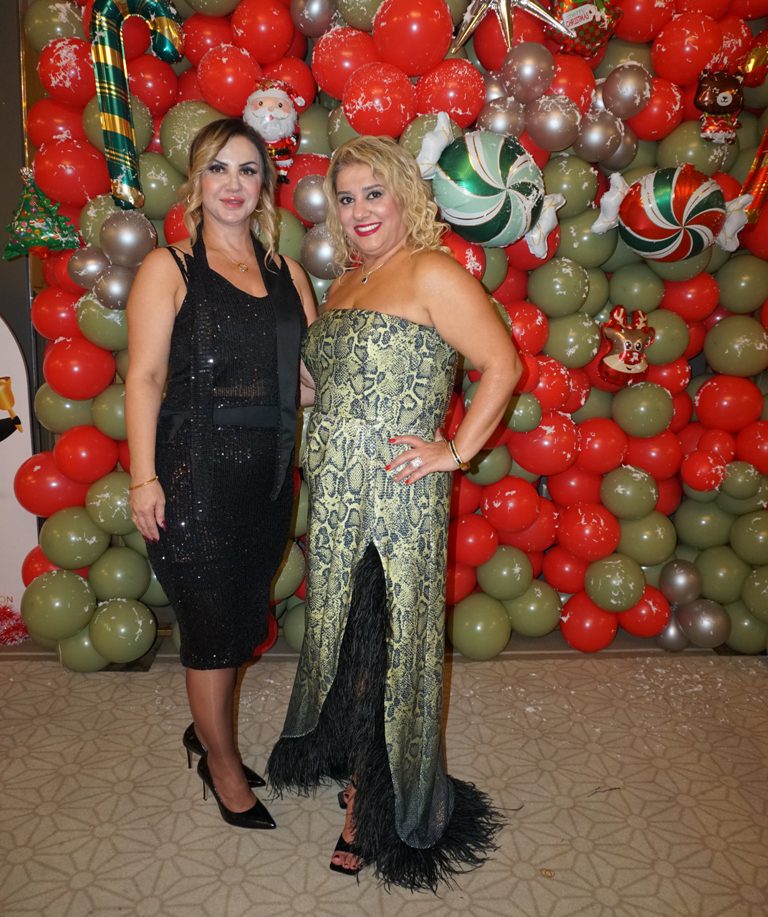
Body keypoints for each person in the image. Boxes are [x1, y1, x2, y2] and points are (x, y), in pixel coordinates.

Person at [267, 136, 522, 890]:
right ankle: (355, 760)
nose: (359, 210)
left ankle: (374, 805)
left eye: (372, 193)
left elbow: (503, 364)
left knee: (388, 648)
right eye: (346, 198)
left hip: (397, 500)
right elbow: (325, 387)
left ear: (404, 194)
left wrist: (455, 450)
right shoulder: (347, 280)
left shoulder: (432, 271)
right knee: (348, 640)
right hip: (335, 497)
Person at [125, 118, 316, 830]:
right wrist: (143, 477)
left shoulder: (288, 273)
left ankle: (205, 734)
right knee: (209, 631)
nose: (233, 184)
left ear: (265, 185)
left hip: (267, 480)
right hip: (191, 475)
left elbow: (305, 381)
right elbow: (144, 378)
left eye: (247, 169)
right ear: (196, 182)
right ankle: (222, 765)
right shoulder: (168, 268)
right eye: (218, 168)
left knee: (237, 620)